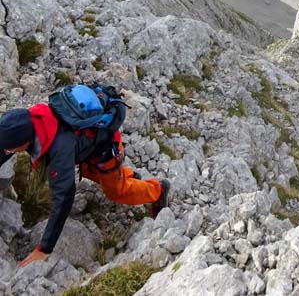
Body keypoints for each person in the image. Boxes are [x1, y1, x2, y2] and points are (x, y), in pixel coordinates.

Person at [0, 105, 171, 267]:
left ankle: (158, 189)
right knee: (94, 173)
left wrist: (44, 248)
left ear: (25, 141)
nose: (9, 152)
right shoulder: (29, 122)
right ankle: (128, 177)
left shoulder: (59, 149)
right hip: (88, 145)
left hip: (105, 148)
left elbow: (64, 197)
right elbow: (4, 149)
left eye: (12, 149)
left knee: (117, 191)